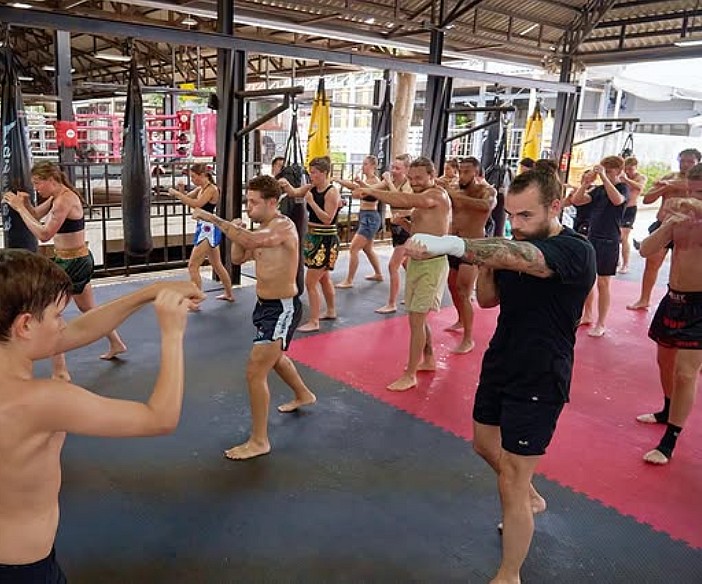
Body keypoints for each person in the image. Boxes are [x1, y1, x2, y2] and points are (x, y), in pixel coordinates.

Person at [403, 168, 596, 584]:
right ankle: (529, 494)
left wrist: (455, 243)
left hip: (541, 373)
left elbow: (527, 260)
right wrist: (482, 256)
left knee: (511, 477)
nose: (518, 225)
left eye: (527, 216)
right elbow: (488, 299)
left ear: (555, 207)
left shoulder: (574, 250)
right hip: (502, 362)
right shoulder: (514, 243)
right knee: (483, 444)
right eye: (512, 216)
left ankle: (509, 574)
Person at [0, 248, 203, 582]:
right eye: (56, 315)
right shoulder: (43, 401)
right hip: (24, 572)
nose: (62, 325)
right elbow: (159, 417)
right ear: (24, 325)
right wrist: (172, 334)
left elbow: (77, 332)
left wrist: (148, 293)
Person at [192, 175, 316, 460]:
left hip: (283, 307)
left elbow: (251, 240)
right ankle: (304, 394)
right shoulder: (260, 227)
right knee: (276, 359)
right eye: (247, 201)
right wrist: (236, 230)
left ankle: (260, 441)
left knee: (255, 370)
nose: (248, 207)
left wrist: (214, 219)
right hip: (263, 305)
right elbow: (238, 257)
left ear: (272, 202)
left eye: (253, 202)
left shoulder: (283, 227)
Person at [2, 161, 126, 381]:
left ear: (51, 179)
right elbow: (37, 216)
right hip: (74, 259)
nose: (37, 188)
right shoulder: (55, 198)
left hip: (72, 263)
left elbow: (44, 234)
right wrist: (26, 203)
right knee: (88, 308)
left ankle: (60, 371)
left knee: (49, 312)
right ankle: (117, 343)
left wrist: (20, 209)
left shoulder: (64, 200)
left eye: (38, 183)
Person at [354, 156, 451, 391]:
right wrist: (406, 225)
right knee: (416, 317)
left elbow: (405, 198)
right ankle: (428, 358)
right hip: (417, 263)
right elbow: (422, 229)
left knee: (416, 319)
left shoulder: (437, 195)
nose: (415, 182)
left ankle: (410, 374)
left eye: (419, 177)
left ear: (432, 174)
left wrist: (372, 191)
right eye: (412, 178)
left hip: (433, 265)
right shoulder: (424, 200)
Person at [635, 163, 702, 465]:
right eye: (690, 190)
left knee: (686, 374)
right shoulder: (680, 221)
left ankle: (670, 440)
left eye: (698, 192)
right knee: (664, 363)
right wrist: (666, 224)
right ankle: (667, 409)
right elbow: (646, 250)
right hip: (674, 298)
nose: (691, 197)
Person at [627, 148, 702, 310]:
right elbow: (647, 199)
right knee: (651, 263)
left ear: (697, 163)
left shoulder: (694, 180)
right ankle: (644, 299)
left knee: (684, 264)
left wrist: (673, 186)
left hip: (690, 228)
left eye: (690, 161)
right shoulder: (669, 177)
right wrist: (665, 187)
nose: (686, 164)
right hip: (665, 224)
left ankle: (681, 300)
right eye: (683, 160)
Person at [279, 156, 341, 332]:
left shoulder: (331, 192)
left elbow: (328, 219)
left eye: (314, 172)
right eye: (310, 172)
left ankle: (314, 321)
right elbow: (294, 193)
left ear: (324, 173)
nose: (311, 175)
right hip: (313, 237)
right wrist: (285, 184)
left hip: (326, 239)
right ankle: (331, 310)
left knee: (311, 281)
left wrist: (311, 202)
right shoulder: (311, 187)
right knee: (324, 278)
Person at [570, 156, 628, 337]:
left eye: (610, 171)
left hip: (609, 240)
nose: (606, 174)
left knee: (603, 282)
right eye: (605, 171)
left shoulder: (621, 188)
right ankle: (587, 314)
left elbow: (617, 201)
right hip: (592, 237)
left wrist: (604, 177)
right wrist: (586, 183)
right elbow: (577, 201)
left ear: (618, 171)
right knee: (588, 279)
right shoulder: (599, 190)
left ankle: (601, 322)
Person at [445, 157, 496, 354]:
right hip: (454, 244)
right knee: (452, 286)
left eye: (466, 171)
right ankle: (460, 319)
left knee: (463, 290)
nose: (462, 175)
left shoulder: (487, 191)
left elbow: (486, 206)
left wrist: (457, 197)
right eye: (460, 171)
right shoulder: (455, 189)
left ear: (476, 172)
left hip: (472, 246)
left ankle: (468, 338)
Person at [168, 163, 234, 304]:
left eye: (193, 176)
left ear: (203, 175)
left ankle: (197, 298)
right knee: (217, 265)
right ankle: (229, 294)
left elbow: (196, 204)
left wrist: (178, 193)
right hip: (205, 227)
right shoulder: (201, 188)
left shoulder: (211, 189)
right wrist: (180, 190)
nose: (192, 179)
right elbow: (187, 199)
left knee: (193, 266)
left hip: (208, 229)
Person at [333, 155, 384, 287]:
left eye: (366, 164)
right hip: (365, 215)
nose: (363, 166)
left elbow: (369, 191)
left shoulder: (375, 181)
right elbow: (354, 187)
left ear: (373, 166)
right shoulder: (365, 180)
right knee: (367, 249)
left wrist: (359, 187)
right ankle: (378, 274)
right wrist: (338, 180)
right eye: (363, 164)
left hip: (370, 217)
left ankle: (349, 280)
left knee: (353, 248)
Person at [376, 153, 414, 314]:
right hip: (396, 228)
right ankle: (412, 294)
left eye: (398, 168)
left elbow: (399, 200)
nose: (394, 170)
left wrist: (389, 182)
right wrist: (358, 186)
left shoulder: (407, 185)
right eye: (393, 167)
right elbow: (372, 190)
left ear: (406, 170)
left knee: (393, 266)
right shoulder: (393, 182)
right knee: (407, 264)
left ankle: (392, 303)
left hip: (407, 228)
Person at [618, 157, 647, 274]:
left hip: (630, 209)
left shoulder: (641, 177)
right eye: (626, 169)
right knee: (615, 236)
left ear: (636, 167)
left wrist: (626, 180)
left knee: (624, 237)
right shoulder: (622, 176)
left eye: (631, 169)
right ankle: (617, 261)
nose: (628, 172)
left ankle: (625, 264)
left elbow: (640, 187)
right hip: (619, 208)